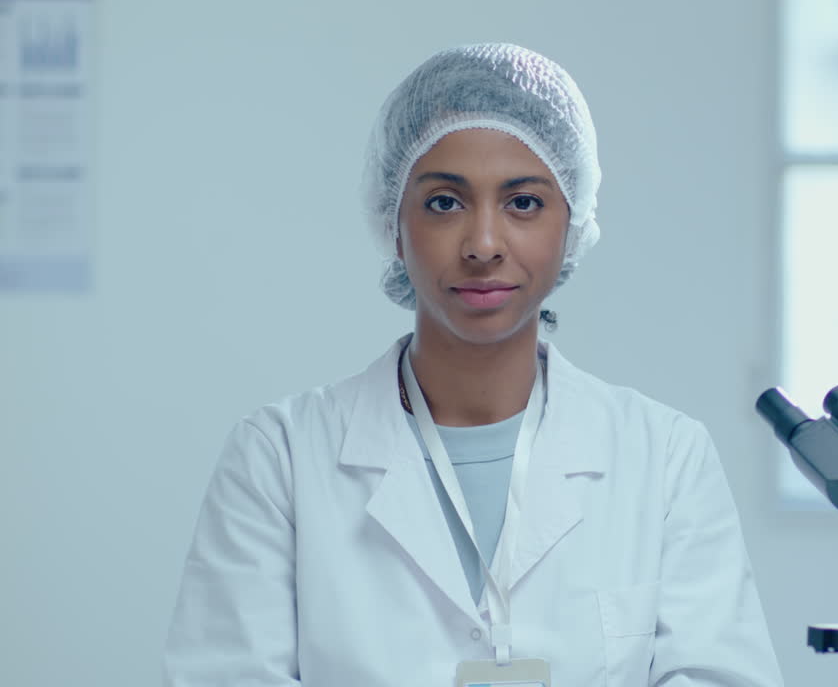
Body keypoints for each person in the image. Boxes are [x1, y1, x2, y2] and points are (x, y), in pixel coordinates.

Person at [163, 43, 783, 687]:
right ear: (392, 225)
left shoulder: (665, 456)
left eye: (523, 203)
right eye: (443, 203)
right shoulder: (280, 457)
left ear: (572, 224)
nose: (484, 245)